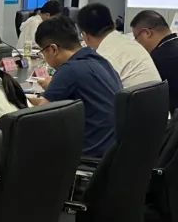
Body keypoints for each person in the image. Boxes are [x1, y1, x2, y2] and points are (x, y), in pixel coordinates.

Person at [27, 15, 122, 158]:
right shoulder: (99, 60)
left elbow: (38, 118)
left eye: (43, 52)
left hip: (89, 157)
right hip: (112, 153)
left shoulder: (69, 70)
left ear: (53, 49)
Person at [130, 10, 178, 111]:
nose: (137, 43)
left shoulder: (161, 58)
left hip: (177, 116)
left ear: (147, 33)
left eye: (136, 38)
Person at [76, 3, 161, 89]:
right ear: (114, 23)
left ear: (85, 36)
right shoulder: (130, 42)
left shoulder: (103, 58)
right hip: (155, 96)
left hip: (130, 97)